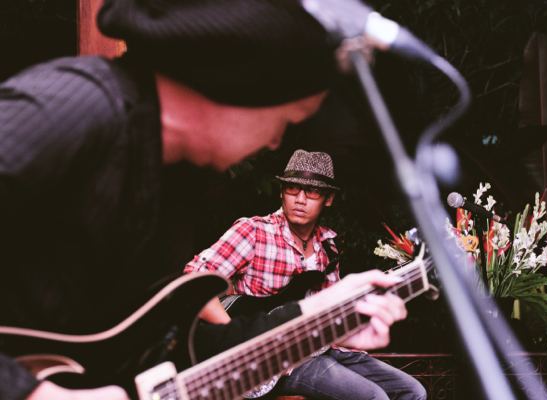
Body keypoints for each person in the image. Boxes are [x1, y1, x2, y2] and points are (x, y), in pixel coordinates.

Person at [0, 1, 411, 400]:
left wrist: (318, 319)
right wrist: (32, 391)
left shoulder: (173, 187)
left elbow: (193, 349)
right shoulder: (77, 106)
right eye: (286, 120)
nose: (274, 141)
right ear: (236, 84)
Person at [185, 150, 427, 400]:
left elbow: (332, 308)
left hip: (323, 344)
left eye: (312, 191)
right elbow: (192, 283)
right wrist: (240, 337)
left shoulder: (328, 246)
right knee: (374, 398)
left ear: (329, 198)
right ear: (282, 191)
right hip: (278, 359)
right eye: (292, 188)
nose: (300, 199)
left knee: (413, 391)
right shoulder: (254, 231)